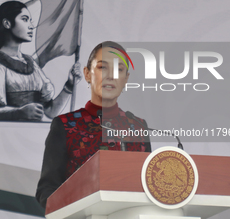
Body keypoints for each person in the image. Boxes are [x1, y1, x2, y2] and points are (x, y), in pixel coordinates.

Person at [36, 41, 151, 208]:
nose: (111, 75)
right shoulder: (66, 125)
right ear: (87, 74)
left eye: (119, 70)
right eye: (103, 67)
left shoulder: (138, 127)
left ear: (126, 79)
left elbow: (149, 187)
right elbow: (47, 191)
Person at [0, 1, 81, 121]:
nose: (31, 26)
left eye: (30, 20)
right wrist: (18, 113)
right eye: (25, 19)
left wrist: (69, 85)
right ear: (7, 23)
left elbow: (50, 112)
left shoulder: (31, 63)